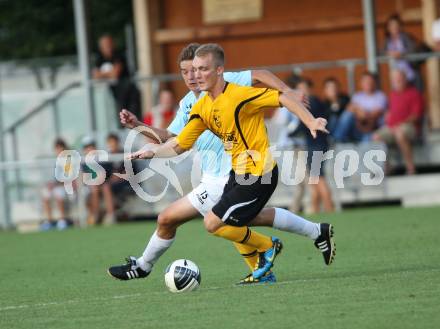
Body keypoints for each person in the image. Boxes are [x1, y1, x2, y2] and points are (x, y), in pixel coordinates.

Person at [108, 43, 335, 285]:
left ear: (218, 71)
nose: (194, 75)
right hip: (233, 174)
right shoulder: (198, 106)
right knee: (240, 220)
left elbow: (274, 92)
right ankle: (311, 235)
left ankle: (268, 247)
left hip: (255, 173)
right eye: (188, 71)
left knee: (213, 222)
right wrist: (151, 150)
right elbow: (177, 142)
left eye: (200, 69)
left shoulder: (235, 90)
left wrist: (308, 119)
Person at [373, 69, 424, 175]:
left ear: (405, 79)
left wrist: (400, 124)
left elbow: (416, 116)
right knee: (376, 136)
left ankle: (411, 168)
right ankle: (387, 167)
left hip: (410, 127)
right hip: (392, 127)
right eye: (395, 79)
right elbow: (390, 113)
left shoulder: (414, 93)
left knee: (400, 133)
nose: (397, 81)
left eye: (399, 78)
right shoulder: (392, 94)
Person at [295, 77, 334, 213]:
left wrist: (292, 133)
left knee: (318, 178)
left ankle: (330, 209)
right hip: (316, 145)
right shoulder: (316, 102)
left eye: (303, 88)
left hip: (316, 145)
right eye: (299, 88)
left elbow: (302, 125)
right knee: (314, 179)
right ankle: (316, 210)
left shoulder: (311, 103)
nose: (301, 91)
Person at [93, 34, 141, 123]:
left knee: (131, 116)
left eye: (109, 44)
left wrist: (102, 74)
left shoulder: (118, 55)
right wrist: (109, 73)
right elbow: (95, 75)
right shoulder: (99, 58)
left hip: (127, 91)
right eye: (105, 45)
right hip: (114, 92)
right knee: (119, 117)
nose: (107, 47)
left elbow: (115, 74)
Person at [333, 72, 387, 143]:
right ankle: (337, 139)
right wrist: (360, 112)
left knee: (367, 143)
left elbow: (376, 114)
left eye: (370, 81)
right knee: (347, 115)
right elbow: (349, 109)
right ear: (361, 83)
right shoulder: (357, 96)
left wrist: (360, 112)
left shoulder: (380, 96)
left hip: (372, 130)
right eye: (365, 81)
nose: (368, 83)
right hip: (357, 127)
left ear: (374, 83)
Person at [81, 137, 116, 226]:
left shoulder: (102, 159)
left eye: (91, 146)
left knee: (105, 188)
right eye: (87, 147)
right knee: (94, 188)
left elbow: (106, 175)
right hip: (88, 187)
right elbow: (83, 178)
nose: (89, 149)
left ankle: (110, 216)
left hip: (102, 184)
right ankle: (95, 215)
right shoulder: (83, 162)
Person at [382, 14, 421, 90]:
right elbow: (381, 52)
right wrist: (388, 53)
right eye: (391, 25)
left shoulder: (406, 36)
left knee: (414, 94)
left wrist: (401, 54)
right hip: (396, 74)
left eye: (396, 25)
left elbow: (413, 49)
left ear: (400, 26)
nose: (394, 27)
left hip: (410, 72)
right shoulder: (387, 40)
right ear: (388, 27)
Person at [40, 138, 71, 231]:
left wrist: (54, 185)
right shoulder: (54, 161)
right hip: (56, 186)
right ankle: (49, 221)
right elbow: (52, 179)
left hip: (67, 187)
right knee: (46, 194)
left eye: (60, 148)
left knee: (59, 193)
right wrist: (50, 185)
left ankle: (62, 221)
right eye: (57, 148)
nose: (59, 151)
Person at [106, 133, 132, 206]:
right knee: (102, 187)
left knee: (106, 187)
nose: (112, 144)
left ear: (117, 142)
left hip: (124, 182)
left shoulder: (126, 155)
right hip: (112, 182)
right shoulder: (106, 157)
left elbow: (131, 172)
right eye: (110, 142)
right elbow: (106, 174)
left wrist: (120, 176)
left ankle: (111, 213)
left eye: (113, 142)